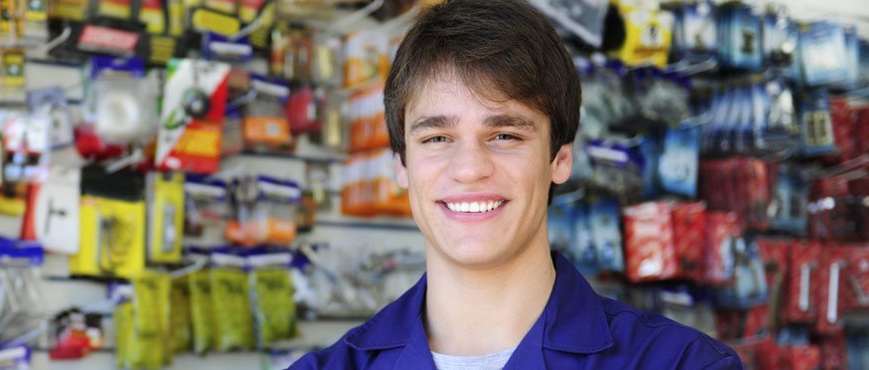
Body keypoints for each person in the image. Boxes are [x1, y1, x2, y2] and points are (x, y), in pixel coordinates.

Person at [289, 0, 743, 369]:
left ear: (560, 159)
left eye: (504, 135)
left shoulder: (680, 364)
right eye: (437, 137)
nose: (469, 168)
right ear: (402, 166)